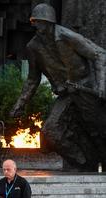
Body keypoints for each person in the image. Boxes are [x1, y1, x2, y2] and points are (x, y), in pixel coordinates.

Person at [10, 3, 106, 171]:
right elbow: (33, 79)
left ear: (50, 22)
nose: (38, 26)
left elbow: (99, 55)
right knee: (51, 131)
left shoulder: (67, 36)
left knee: (99, 129)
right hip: (66, 94)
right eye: (35, 22)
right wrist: (20, 104)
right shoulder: (33, 47)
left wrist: (101, 85)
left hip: (85, 90)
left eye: (41, 22)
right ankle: (85, 163)